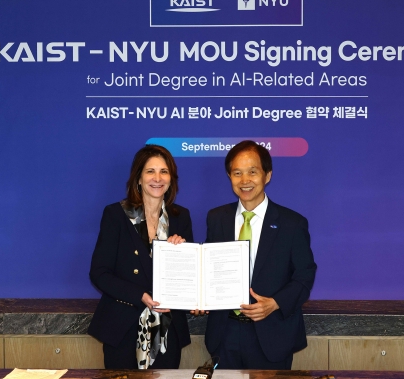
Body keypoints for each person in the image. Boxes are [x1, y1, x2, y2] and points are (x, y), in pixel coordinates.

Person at [200, 140, 317, 369]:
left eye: (252, 172)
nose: (245, 181)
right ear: (229, 177)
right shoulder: (217, 218)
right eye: (237, 173)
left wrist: (275, 303)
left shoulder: (292, 223)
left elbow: (305, 275)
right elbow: (209, 267)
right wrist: (199, 297)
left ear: (267, 175)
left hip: (271, 334)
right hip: (224, 333)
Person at [87, 144, 193, 369]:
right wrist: (140, 295)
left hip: (167, 332)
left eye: (164, 172)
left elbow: (189, 276)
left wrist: (183, 251)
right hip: (123, 328)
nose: (157, 178)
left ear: (171, 179)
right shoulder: (116, 214)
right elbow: (99, 273)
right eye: (150, 171)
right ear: (138, 178)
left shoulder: (180, 217)